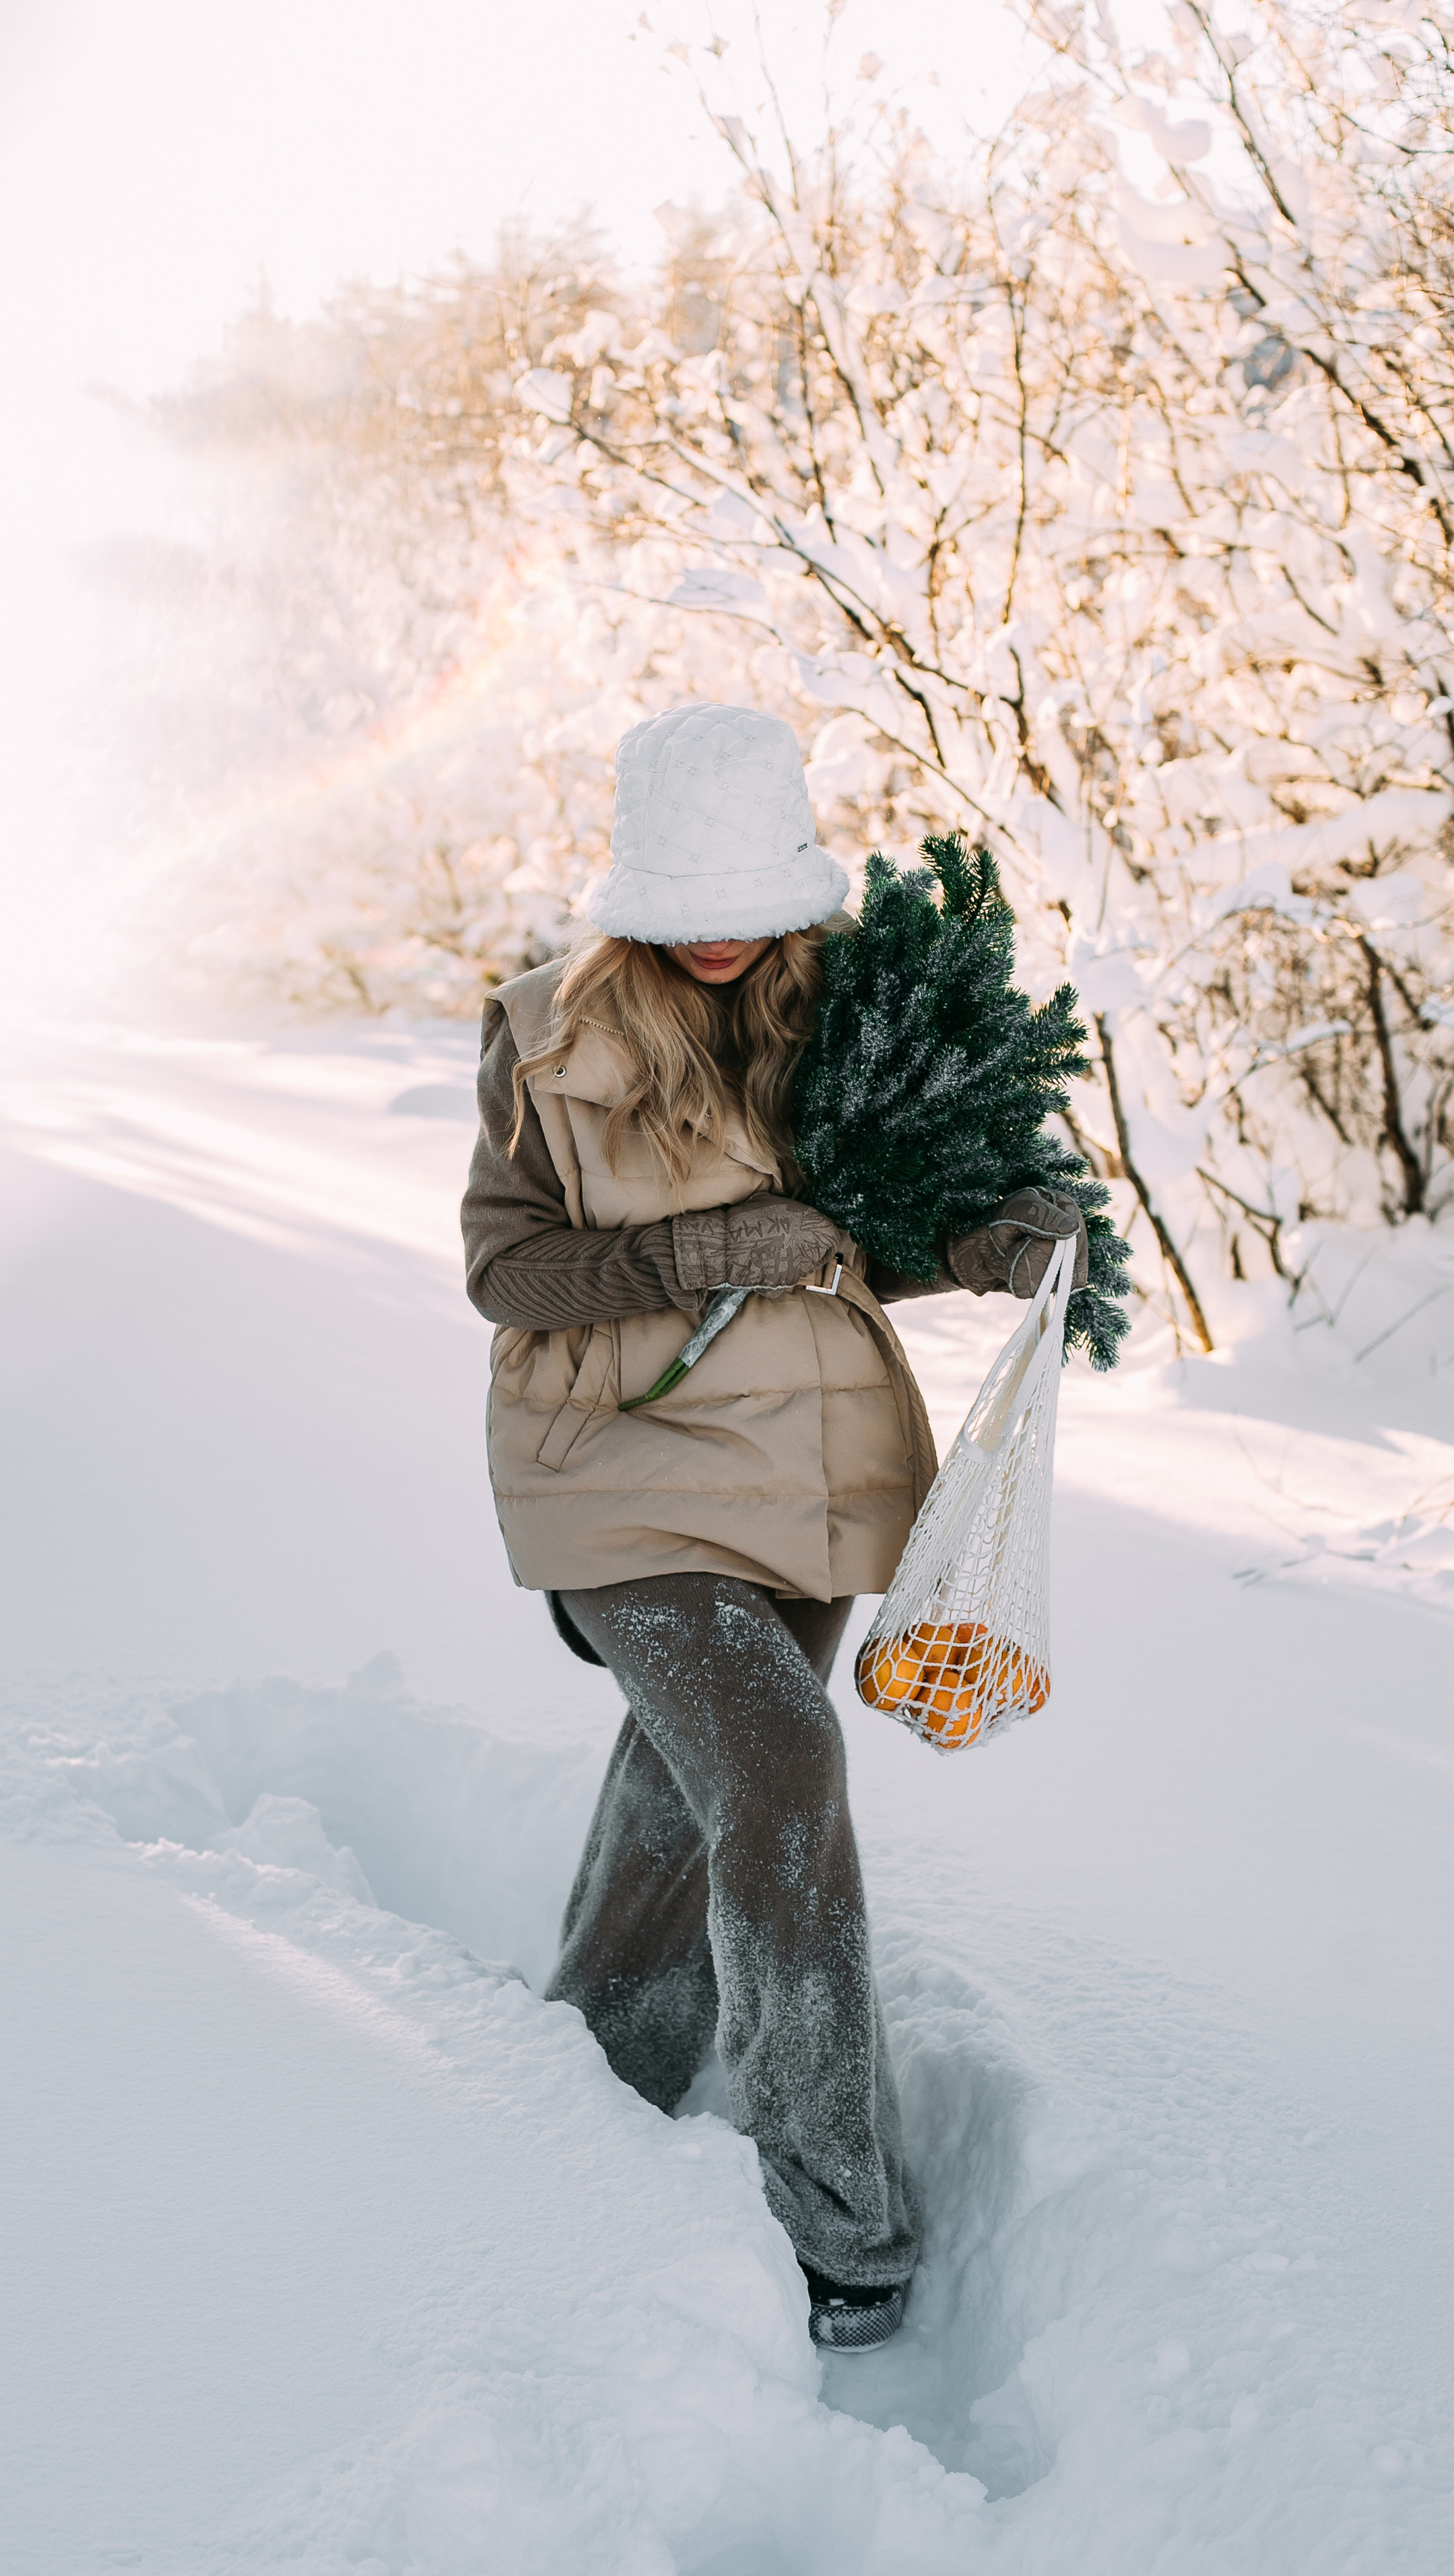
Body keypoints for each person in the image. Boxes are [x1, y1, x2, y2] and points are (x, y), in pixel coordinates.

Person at [461, 701, 1084, 2352]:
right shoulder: (537, 1033)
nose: (726, 935)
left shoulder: (847, 1022)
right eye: (690, 904)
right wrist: (690, 1255)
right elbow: (503, 1274)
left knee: (701, 1780)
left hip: (804, 1479)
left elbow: (856, 1243)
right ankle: (840, 2225)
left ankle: (592, 2067)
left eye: (753, 897)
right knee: (784, 1768)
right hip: (612, 1471)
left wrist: (984, 1247)